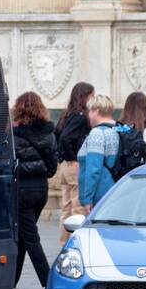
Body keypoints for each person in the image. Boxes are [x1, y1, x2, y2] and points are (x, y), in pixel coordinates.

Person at [12, 91, 58, 289]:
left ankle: (50, 286)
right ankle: (10, 286)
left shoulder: (14, 135)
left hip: (22, 192)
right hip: (41, 191)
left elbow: (12, 166)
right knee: (22, 238)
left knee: (30, 240)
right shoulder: (49, 133)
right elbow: (51, 169)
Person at [55, 82, 94, 240]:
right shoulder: (80, 116)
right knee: (77, 207)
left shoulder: (67, 114)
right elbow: (65, 138)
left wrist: (63, 157)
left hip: (64, 165)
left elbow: (58, 135)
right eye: (91, 96)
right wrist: (72, 157)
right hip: (73, 165)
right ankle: (75, 242)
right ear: (84, 96)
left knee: (66, 207)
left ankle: (64, 241)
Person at [77, 95, 120, 212]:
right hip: (118, 192)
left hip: (100, 196)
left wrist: (87, 199)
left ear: (96, 111)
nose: (88, 115)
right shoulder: (120, 129)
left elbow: (93, 169)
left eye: (90, 111)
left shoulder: (97, 133)